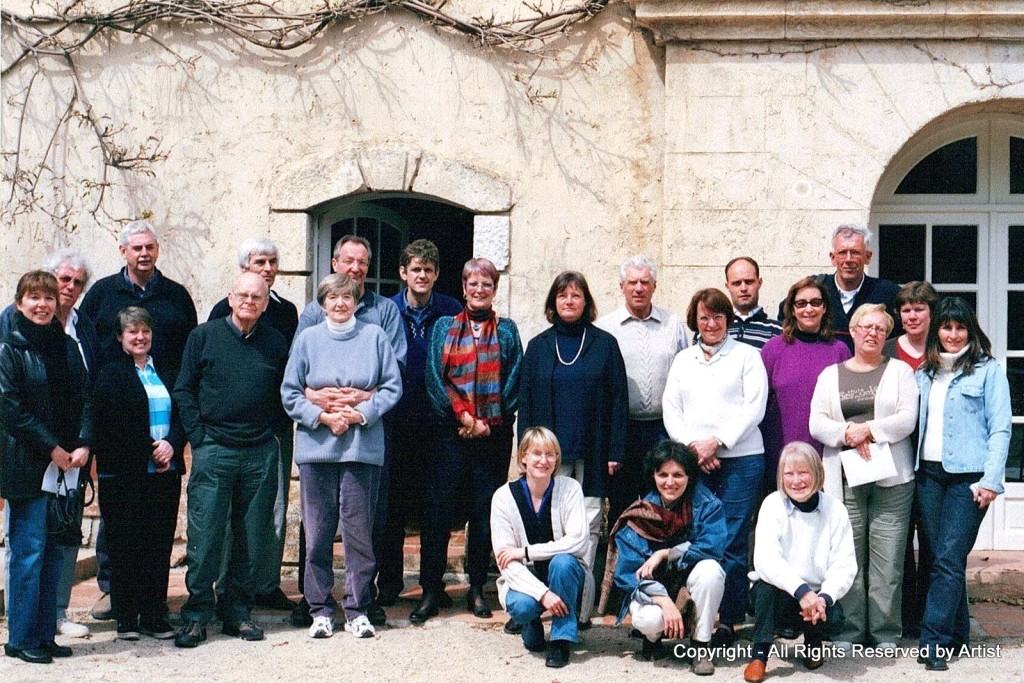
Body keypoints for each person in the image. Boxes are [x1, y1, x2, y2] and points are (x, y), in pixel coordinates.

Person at [292, 234, 406, 626]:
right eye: (332, 298)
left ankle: (358, 607)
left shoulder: (375, 333)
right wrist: (322, 413)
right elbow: (291, 389)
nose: (340, 303)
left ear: (358, 301)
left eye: (347, 298)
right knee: (318, 534)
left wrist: (358, 412)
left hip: (361, 445)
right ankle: (319, 608)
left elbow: (392, 385)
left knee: (360, 534)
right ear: (322, 302)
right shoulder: (307, 335)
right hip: (318, 446)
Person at [172, 272, 289, 648]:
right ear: (230, 297)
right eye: (243, 295)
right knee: (205, 536)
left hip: (259, 452)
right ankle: (196, 615)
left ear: (266, 302)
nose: (249, 301)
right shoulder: (203, 336)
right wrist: (199, 439)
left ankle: (237, 611)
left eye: (257, 297)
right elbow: (184, 389)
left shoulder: (274, 342)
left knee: (251, 536)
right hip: (215, 450)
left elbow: (286, 393)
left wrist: (271, 432)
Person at [1, 249, 99, 638]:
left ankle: (45, 633)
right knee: (28, 553)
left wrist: (84, 444)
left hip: (67, 467)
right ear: (19, 304)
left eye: (48, 298)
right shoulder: (10, 349)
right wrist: (52, 450)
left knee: (55, 554)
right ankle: (22, 638)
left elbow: (86, 397)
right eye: (34, 298)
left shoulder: (67, 346)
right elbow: (11, 408)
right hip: (28, 464)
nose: (43, 305)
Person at [809, 303, 918, 650]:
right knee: (849, 555)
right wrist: (847, 434)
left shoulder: (900, 372)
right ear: (853, 331)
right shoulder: (831, 375)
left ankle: (886, 633)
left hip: (893, 479)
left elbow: (906, 419)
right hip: (844, 477)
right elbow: (817, 422)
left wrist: (866, 431)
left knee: (888, 559)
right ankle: (850, 631)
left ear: (887, 336)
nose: (872, 333)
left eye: (880, 329)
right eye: (866, 327)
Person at [662, 287, 768, 645]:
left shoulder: (747, 357)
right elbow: (671, 410)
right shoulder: (683, 360)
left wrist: (717, 442)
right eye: (704, 317)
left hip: (740, 460)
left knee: (734, 540)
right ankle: (698, 612)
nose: (711, 323)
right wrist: (695, 450)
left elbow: (754, 408)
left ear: (729, 319)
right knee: (699, 538)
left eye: (718, 317)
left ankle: (730, 619)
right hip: (696, 464)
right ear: (695, 320)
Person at [421, 258, 523, 622]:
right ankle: (431, 589)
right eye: (473, 284)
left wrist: (485, 424)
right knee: (438, 512)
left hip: (491, 437)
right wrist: (463, 416)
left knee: (483, 514)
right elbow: (434, 379)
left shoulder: (508, 330)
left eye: (487, 285)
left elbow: (513, 381)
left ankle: (477, 588)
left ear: (495, 289)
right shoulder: (442, 327)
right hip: (449, 433)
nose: (479, 290)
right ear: (463, 288)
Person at [519, 271, 628, 606]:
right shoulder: (538, 346)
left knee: (588, 526)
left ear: (586, 302)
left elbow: (618, 400)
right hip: (548, 456)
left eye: (576, 295)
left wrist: (615, 450)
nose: (569, 301)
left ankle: (580, 609)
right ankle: (542, 598)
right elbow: (526, 404)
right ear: (554, 302)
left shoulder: (605, 345)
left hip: (593, 452)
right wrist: (525, 454)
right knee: (547, 525)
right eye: (563, 295)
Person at [914, 297, 1011, 671]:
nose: (953, 335)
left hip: (968, 479)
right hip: (929, 476)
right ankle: (957, 636)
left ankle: (934, 641)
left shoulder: (988, 371)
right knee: (940, 559)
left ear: (970, 330)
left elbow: (1001, 429)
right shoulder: (924, 373)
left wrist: (991, 480)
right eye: (946, 327)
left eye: (960, 327)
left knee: (950, 559)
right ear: (936, 330)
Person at [207, 238, 299, 613]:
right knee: (231, 512)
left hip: (273, 426)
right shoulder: (222, 309)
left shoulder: (286, 312)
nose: (267, 267)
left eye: (273, 261)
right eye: (259, 261)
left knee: (273, 507)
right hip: (229, 432)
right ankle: (225, 584)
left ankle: (266, 583)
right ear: (244, 267)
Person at [377, 240, 462, 608]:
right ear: (403, 273)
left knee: (436, 508)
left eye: (428, 270)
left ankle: (432, 583)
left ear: (437, 274)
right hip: (394, 422)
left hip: (438, 424)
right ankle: (390, 582)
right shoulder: (386, 311)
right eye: (415, 269)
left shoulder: (451, 311)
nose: (422, 275)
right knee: (391, 507)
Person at [91, 307, 184, 641]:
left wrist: (172, 444)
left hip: (165, 470)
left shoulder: (166, 372)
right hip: (126, 471)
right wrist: (150, 449)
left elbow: (182, 411)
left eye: (145, 331)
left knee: (158, 544)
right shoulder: (111, 372)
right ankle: (127, 617)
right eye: (132, 332)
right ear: (120, 337)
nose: (140, 337)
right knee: (126, 544)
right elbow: (114, 420)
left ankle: (155, 614)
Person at [601, 440, 726, 674]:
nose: (670, 482)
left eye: (678, 475)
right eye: (663, 475)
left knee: (711, 571)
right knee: (649, 619)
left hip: (687, 583)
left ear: (689, 476)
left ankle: (700, 646)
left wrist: (666, 553)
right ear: (653, 476)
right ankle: (652, 639)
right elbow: (628, 574)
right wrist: (664, 601)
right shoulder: (641, 513)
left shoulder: (706, 504)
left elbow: (713, 546)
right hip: (654, 591)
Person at [743, 442, 856, 683]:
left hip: (817, 598)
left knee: (833, 616)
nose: (796, 481)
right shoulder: (772, 504)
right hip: (780, 593)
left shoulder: (835, 509)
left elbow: (844, 565)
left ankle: (813, 646)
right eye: (789, 474)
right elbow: (766, 560)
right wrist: (801, 591)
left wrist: (823, 598)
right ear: (780, 477)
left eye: (803, 472)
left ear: (817, 473)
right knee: (764, 589)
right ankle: (759, 656)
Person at [595, 255, 687, 528]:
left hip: (663, 429)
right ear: (621, 286)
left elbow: (685, 373)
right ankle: (619, 566)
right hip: (623, 431)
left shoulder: (672, 324)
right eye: (632, 282)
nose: (638, 288)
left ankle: (658, 565)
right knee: (622, 505)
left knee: (662, 502)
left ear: (654, 286)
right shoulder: (605, 327)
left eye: (644, 282)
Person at [491, 427, 592, 669]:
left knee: (564, 562)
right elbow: (505, 560)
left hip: (565, 576)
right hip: (527, 580)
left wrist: (526, 552)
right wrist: (543, 594)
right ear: (523, 457)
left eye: (550, 454)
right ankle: (531, 624)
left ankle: (561, 638)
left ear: (557, 459)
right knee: (523, 608)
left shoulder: (569, 489)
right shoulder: (503, 498)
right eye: (536, 453)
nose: (543, 461)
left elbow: (578, 541)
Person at [882, 281, 938, 639]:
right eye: (906, 309)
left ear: (931, 312)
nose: (912, 315)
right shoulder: (887, 350)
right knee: (898, 543)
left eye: (919, 308)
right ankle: (902, 617)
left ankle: (929, 618)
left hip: (934, 459)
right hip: (894, 458)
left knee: (932, 541)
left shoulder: (945, 347)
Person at [80, 220, 198, 386]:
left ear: (157, 249)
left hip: (167, 393)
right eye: (137, 248)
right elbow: (85, 344)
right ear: (123, 251)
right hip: (114, 394)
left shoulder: (177, 295)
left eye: (150, 247)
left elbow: (191, 350)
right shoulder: (101, 293)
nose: (144, 253)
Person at [760, 277, 851, 484]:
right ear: (792, 309)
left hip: (826, 453)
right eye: (801, 303)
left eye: (815, 303)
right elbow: (760, 404)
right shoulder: (773, 349)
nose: (808, 309)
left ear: (825, 308)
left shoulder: (840, 350)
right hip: (780, 452)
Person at [779, 225, 899, 353]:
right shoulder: (816, 291)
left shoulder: (888, 293)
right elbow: (786, 317)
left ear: (868, 257)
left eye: (855, 252)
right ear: (832, 257)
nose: (848, 259)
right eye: (842, 253)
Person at [722, 256, 782, 349]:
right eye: (737, 283)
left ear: (759, 282)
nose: (743, 288)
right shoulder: (712, 329)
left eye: (749, 282)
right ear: (727, 286)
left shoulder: (779, 331)